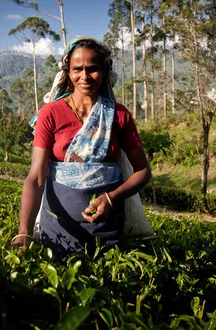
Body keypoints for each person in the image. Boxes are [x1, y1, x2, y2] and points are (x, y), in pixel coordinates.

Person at [11, 36, 152, 259]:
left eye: (92, 69)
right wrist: (24, 233)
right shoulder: (51, 113)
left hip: (107, 226)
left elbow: (143, 171)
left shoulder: (120, 115)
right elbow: (36, 177)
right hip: (58, 226)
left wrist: (111, 198)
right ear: (67, 71)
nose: (84, 76)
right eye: (77, 69)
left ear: (104, 70)